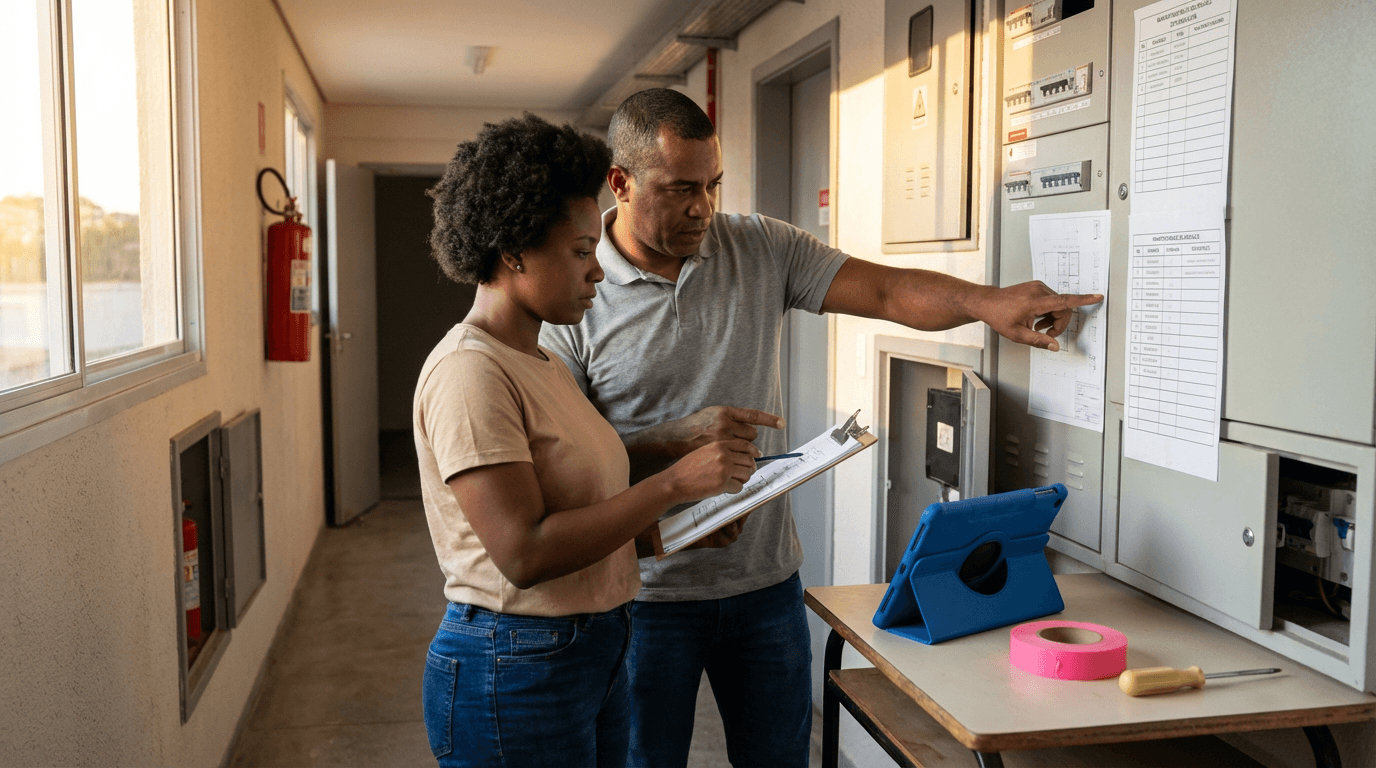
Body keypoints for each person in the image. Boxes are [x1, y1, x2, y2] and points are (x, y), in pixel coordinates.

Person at [538, 89, 1103, 767]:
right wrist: (674, 438)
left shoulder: (759, 245)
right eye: (681, 188)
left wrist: (987, 304)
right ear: (621, 183)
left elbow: (887, 290)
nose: (703, 208)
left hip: (763, 586)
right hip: (643, 595)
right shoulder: (572, 292)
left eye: (713, 185)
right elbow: (570, 471)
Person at [414, 113, 761, 768]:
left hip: (590, 649)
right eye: (580, 253)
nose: (596, 273)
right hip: (515, 663)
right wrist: (671, 486)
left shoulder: (538, 362)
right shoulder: (471, 373)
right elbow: (524, 553)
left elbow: (577, 509)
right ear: (514, 252)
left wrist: (671, 533)